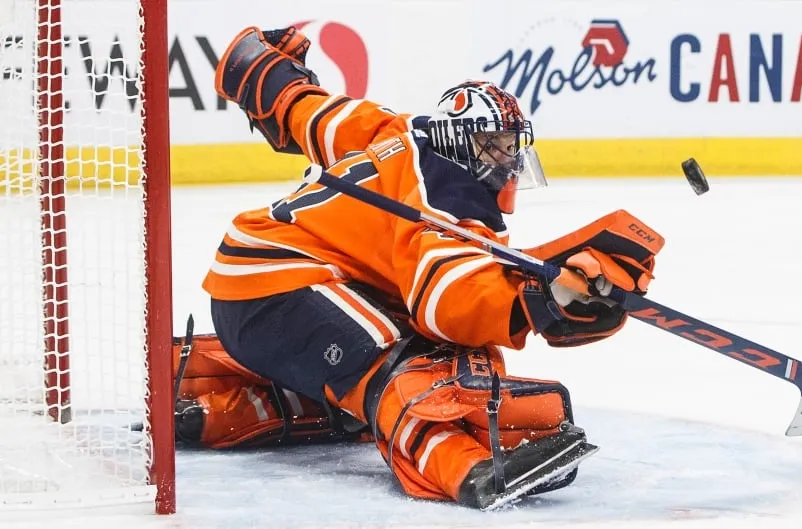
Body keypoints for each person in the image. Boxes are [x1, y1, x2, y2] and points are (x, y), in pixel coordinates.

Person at [193, 26, 664, 510]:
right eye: (494, 145)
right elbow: (446, 299)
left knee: (380, 380)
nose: (507, 159)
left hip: (260, 285)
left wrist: (263, 70)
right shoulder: (448, 184)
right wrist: (540, 299)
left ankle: (220, 400)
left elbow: (308, 110)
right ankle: (463, 467)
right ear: (460, 141)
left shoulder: (394, 130)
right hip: (281, 283)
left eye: (509, 145)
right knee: (405, 368)